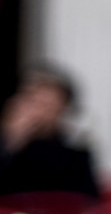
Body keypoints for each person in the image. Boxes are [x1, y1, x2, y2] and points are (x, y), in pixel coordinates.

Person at [0, 64, 99, 204]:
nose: (37, 112)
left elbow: (88, 203)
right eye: (33, 102)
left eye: (46, 104)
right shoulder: (8, 146)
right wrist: (10, 141)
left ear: (62, 110)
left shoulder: (74, 152)